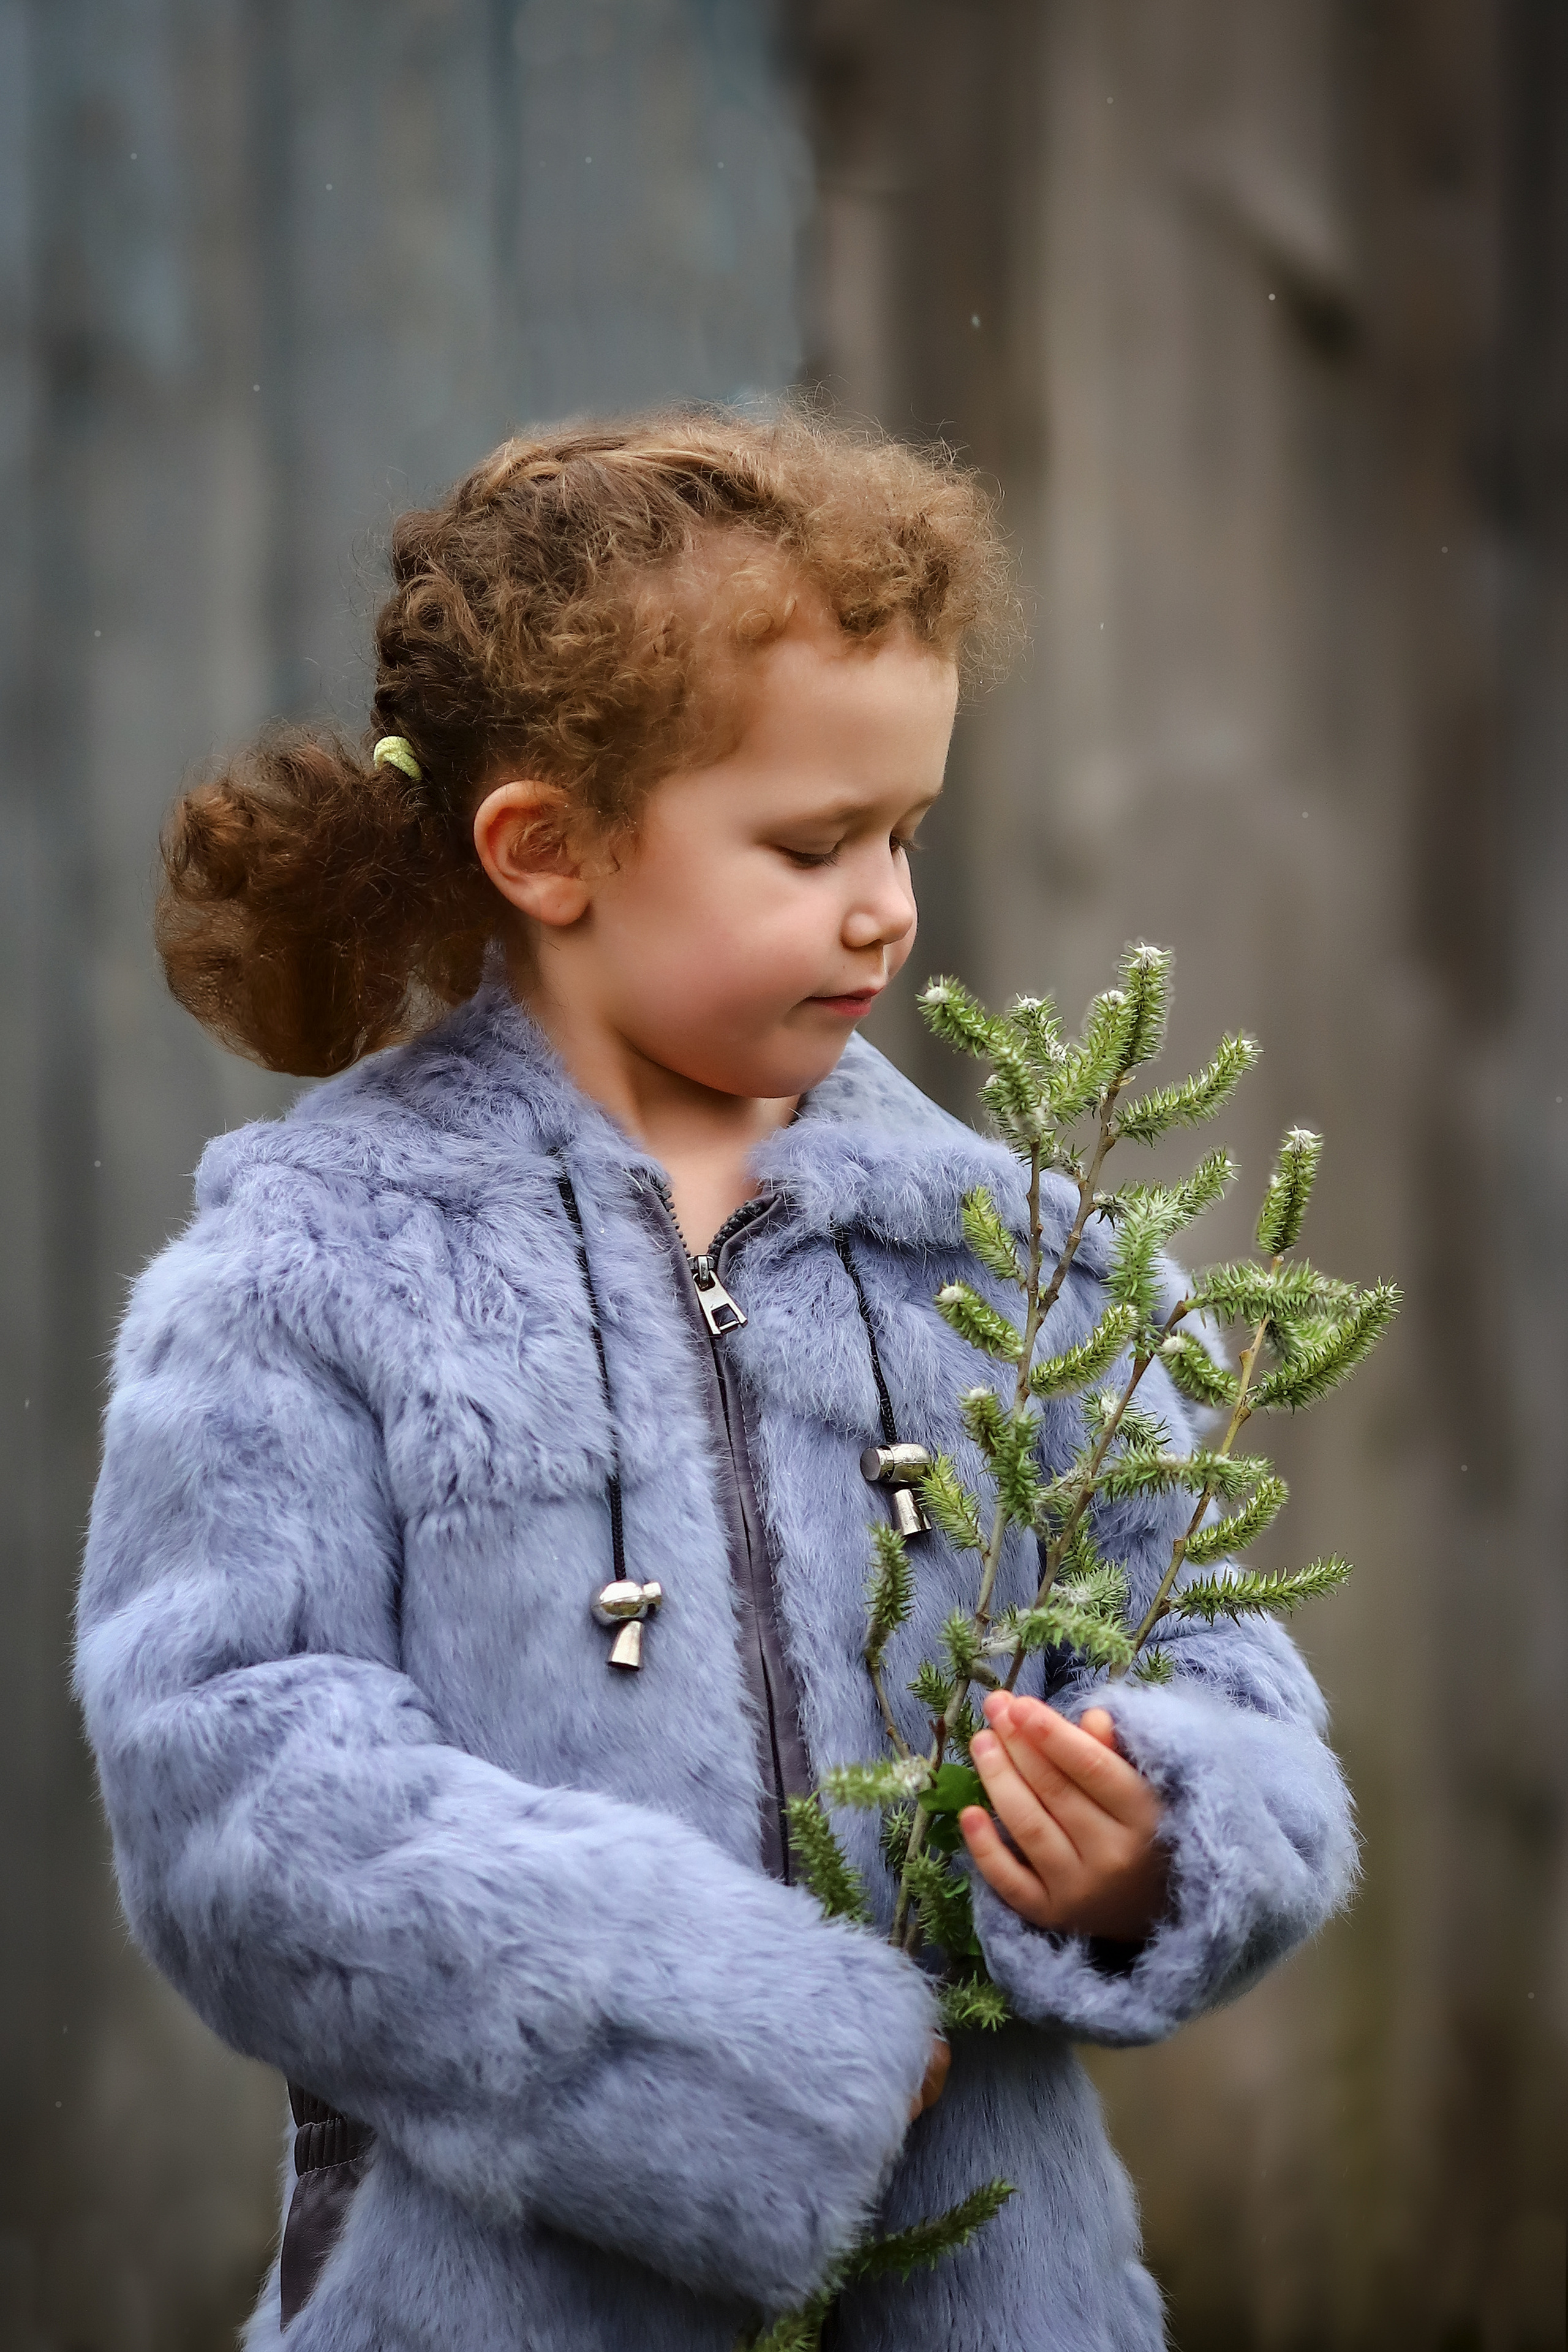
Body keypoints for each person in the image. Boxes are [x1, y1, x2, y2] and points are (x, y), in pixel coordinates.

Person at [75, 409, 1355, 2351]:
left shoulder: (1016, 1251)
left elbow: (1228, 1668)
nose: (888, 904)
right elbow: (237, 1785)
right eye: (812, 842)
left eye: (906, 830)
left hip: (995, 2299)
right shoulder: (308, 1272)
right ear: (548, 848)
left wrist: (1159, 1836)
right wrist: (745, 2047)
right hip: (497, 2304)